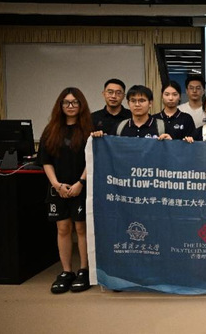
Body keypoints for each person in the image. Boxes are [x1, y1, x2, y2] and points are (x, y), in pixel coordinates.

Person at [39, 87, 93, 294]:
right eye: (66, 103)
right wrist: (56, 184)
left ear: (81, 105)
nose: (70, 106)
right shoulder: (51, 130)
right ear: (60, 106)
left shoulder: (88, 129)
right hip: (58, 188)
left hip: (81, 186)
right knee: (62, 228)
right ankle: (66, 271)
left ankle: (84, 270)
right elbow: (46, 160)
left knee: (81, 229)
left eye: (75, 102)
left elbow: (92, 159)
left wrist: (80, 182)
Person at [102, 85, 172, 139]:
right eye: (133, 101)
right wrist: (100, 137)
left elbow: (173, 150)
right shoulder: (120, 127)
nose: (137, 104)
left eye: (142, 101)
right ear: (128, 103)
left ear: (150, 103)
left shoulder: (162, 126)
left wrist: (169, 142)